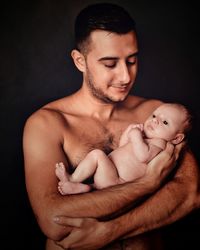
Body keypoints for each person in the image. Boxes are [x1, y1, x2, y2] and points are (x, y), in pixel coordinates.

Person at [23, 3, 200, 250]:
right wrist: (147, 184)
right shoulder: (47, 124)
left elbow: (189, 195)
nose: (126, 76)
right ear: (80, 61)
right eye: (110, 64)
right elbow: (54, 220)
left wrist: (111, 230)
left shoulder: (157, 114)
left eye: (132, 60)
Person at [55, 103, 192, 195]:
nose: (155, 121)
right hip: (111, 175)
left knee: (97, 154)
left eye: (165, 122)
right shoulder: (146, 138)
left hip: (118, 182)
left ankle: (72, 179)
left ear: (176, 138)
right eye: (154, 116)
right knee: (97, 161)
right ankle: (84, 187)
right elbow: (122, 148)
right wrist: (128, 133)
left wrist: (136, 135)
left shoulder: (161, 144)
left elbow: (143, 156)